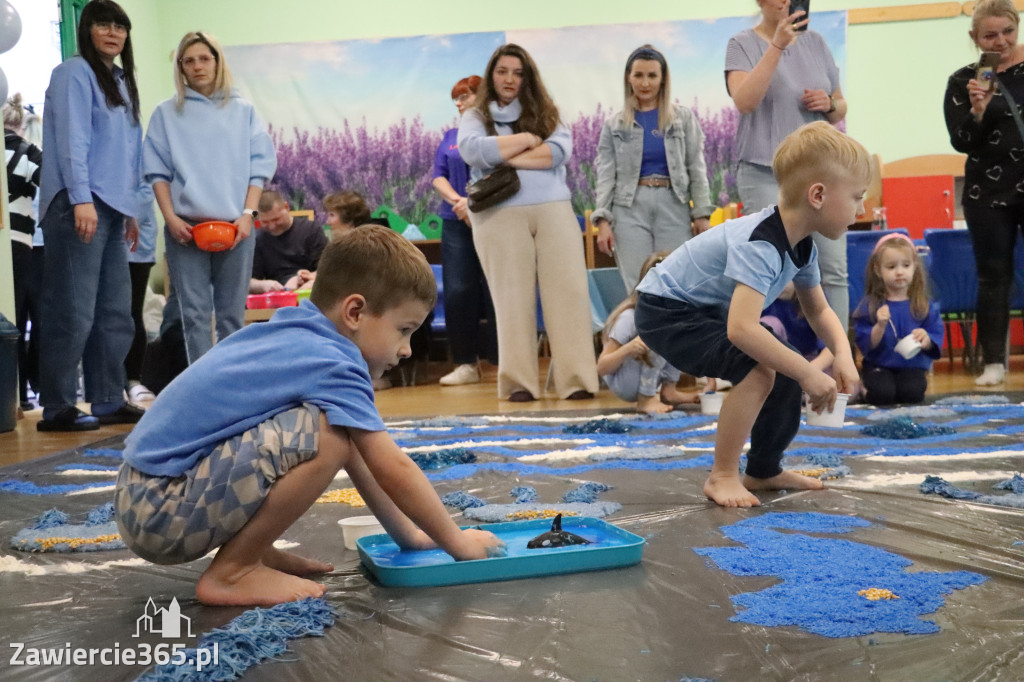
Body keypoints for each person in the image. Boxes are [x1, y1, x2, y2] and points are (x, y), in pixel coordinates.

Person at [114, 225, 505, 607]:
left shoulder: (296, 332)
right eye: (404, 330)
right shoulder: (334, 361)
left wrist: (413, 539)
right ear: (354, 311)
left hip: (144, 500)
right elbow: (392, 467)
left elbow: (363, 458)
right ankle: (234, 571)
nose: (405, 350)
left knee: (336, 433)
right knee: (328, 437)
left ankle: (253, 552)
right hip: (159, 512)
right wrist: (458, 543)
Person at [635, 121, 865, 508]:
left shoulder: (802, 246)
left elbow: (819, 309)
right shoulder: (762, 242)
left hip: (705, 312)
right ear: (819, 195)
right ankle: (722, 475)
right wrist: (809, 372)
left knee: (785, 365)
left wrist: (841, 354)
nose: (862, 209)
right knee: (760, 369)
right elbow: (742, 330)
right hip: (666, 310)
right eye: (857, 197)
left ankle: (763, 468)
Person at [458, 43, 600, 402]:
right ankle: (519, 384)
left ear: (528, 77)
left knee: (570, 294)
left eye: (518, 73)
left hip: (553, 208)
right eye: (503, 71)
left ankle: (577, 380)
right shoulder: (475, 115)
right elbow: (473, 151)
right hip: (498, 214)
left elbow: (558, 153)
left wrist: (502, 154)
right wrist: (524, 140)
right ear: (492, 74)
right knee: (511, 300)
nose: (510, 79)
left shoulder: (546, 111)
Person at [36, 0, 144, 431]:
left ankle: (105, 398)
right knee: (73, 310)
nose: (113, 32)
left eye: (120, 26)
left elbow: (128, 154)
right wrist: (81, 198)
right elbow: (72, 140)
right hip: (76, 204)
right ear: (87, 30)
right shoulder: (73, 73)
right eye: (103, 24)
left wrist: (132, 209)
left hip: (113, 207)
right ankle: (58, 406)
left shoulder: (122, 80)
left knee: (114, 312)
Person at [143, 31, 276, 365]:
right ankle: (202, 386)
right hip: (185, 229)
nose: (197, 67)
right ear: (180, 69)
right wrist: (171, 218)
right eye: (189, 61)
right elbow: (156, 172)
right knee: (195, 316)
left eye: (204, 59)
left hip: (237, 227)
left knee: (232, 315)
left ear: (217, 62)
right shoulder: (165, 114)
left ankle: (235, 381)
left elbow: (258, 168)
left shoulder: (243, 110)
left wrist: (248, 214)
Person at [725, 0, 850, 331]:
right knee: (771, 268)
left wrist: (831, 103)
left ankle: (837, 361)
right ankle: (775, 361)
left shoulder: (817, 43)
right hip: (765, 173)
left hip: (819, 174)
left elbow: (840, 107)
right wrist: (777, 46)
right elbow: (744, 101)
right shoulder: (741, 44)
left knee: (833, 268)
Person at [944, 0, 1024, 386]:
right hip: (988, 190)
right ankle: (993, 361)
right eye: (990, 35)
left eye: (1008, 31)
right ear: (975, 38)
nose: (1002, 41)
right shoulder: (964, 80)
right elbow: (961, 141)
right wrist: (978, 110)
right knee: (993, 276)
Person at [593, 45, 714, 292]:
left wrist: (701, 213)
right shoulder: (614, 124)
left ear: (663, 79)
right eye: (638, 75)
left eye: (652, 76)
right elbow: (605, 175)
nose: (645, 83)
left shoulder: (683, 118)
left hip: (673, 204)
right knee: (638, 286)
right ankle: (639, 332)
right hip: (629, 207)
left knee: (677, 282)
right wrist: (603, 220)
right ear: (628, 77)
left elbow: (696, 167)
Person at [432, 75, 498, 386]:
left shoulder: (497, 133)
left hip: (493, 216)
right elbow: (438, 176)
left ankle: (503, 362)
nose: (459, 104)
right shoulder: (449, 136)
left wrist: (473, 202)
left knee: (497, 289)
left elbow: (502, 173)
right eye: (456, 99)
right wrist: (459, 202)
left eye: (465, 97)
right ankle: (465, 364)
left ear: (481, 97)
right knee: (458, 290)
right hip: (455, 220)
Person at [597, 251, 699, 414]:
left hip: (645, 375)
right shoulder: (629, 318)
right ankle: (646, 398)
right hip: (625, 383)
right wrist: (628, 349)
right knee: (660, 333)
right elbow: (602, 367)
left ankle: (669, 391)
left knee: (676, 331)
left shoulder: (673, 313)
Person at [853, 234, 943, 406]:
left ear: (915, 266)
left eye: (906, 265)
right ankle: (864, 388)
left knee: (912, 394)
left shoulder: (922, 304)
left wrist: (926, 339)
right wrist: (880, 326)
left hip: (912, 367)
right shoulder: (871, 305)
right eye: (891, 266)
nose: (899, 272)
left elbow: (934, 334)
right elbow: (866, 344)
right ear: (878, 270)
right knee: (883, 394)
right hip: (879, 366)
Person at [3, 93, 44, 411]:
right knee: (18, 319)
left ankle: (7, 394)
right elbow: (49, 179)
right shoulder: (26, 151)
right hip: (18, 243)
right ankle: (21, 396)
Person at [250, 189, 327, 293]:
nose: (272, 226)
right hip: (277, 295)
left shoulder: (311, 230)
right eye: (265, 222)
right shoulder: (258, 239)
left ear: (287, 207)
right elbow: (249, 281)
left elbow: (327, 269)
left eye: (276, 219)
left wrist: (310, 280)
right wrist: (262, 285)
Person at [125, 183, 159, 403]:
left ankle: (132, 379)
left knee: (133, 311)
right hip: (103, 239)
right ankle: (109, 382)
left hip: (137, 247)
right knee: (107, 316)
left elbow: (146, 192)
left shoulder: (140, 151)